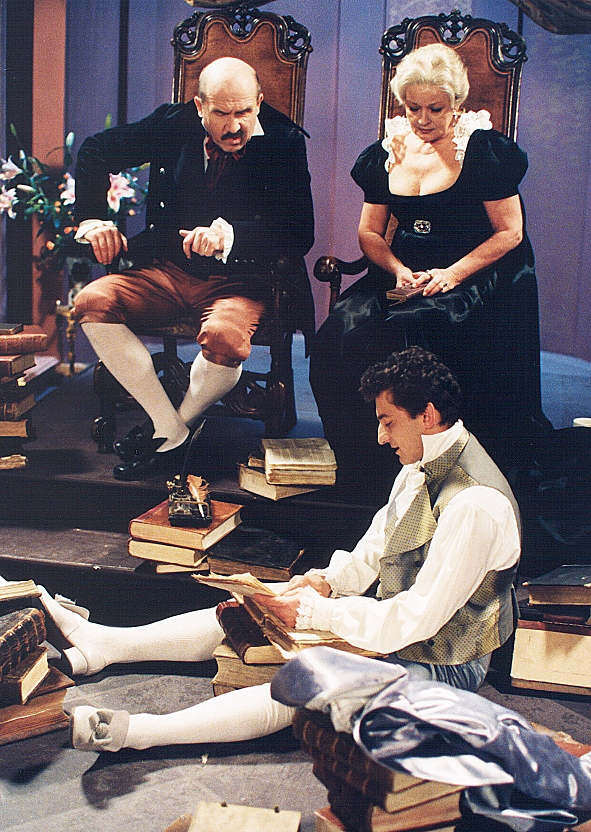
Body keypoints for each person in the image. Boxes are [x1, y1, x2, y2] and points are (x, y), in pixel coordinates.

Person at [22, 347, 520, 753]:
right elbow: (377, 544)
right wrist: (326, 583)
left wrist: (319, 614)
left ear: (427, 415)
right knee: (261, 602)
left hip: (447, 663)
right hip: (406, 628)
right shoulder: (423, 460)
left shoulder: (474, 504)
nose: (380, 435)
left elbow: (418, 620)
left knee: (311, 678)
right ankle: (109, 645)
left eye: (388, 421)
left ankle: (139, 733)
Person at [310, 43, 551, 500]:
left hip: (473, 271)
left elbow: (510, 233)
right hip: (405, 273)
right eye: (413, 108)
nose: (422, 119)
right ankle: (367, 463)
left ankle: (428, 460)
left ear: (456, 102)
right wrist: (398, 269)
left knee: (416, 327)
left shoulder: (484, 150)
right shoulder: (388, 150)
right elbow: (370, 233)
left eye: (435, 109)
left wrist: (453, 274)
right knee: (339, 332)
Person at [73, 56, 314, 480]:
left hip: (242, 281)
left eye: (244, 112)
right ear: (200, 106)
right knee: (91, 301)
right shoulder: (172, 123)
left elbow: (299, 232)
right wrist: (95, 221)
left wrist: (230, 236)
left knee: (224, 339)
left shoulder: (284, 141)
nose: (234, 126)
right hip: (167, 270)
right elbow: (94, 152)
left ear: (259, 102)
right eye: (221, 114)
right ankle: (170, 430)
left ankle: (168, 432)